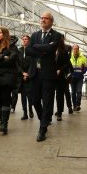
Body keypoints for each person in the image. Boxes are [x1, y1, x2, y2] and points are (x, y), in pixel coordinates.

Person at [26, 11, 62, 142]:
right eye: (41, 18)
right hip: (35, 73)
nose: (42, 20)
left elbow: (50, 49)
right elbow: (28, 50)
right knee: (34, 99)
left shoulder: (56, 35)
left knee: (47, 101)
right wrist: (42, 48)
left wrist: (36, 47)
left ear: (51, 21)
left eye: (46, 18)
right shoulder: (35, 35)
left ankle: (42, 129)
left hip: (48, 74)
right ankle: (44, 120)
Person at [54, 38, 73, 121]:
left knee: (60, 95)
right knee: (51, 95)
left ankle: (59, 112)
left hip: (61, 77)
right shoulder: (51, 51)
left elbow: (67, 64)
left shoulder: (64, 52)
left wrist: (60, 70)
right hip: (51, 76)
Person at [18, 34, 36, 120]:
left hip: (30, 76)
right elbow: (17, 64)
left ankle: (30, 109)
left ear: (29, 41)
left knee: (30, 95)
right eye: (23, 39)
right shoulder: (19, 51)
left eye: (26, 39)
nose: (24, 40)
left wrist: (28, 74)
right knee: (23, 96)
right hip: (22, 76)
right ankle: (25, 113)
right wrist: (22, 73)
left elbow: (33, 64)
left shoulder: (32, 51)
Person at [69, 44, 87, 112]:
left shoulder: (83, 57)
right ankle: (74, 106)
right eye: (74, 49)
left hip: (80, 77)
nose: (75, 50)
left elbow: (86, 67)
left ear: (78, 49)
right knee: (73, 92)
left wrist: (83, 71)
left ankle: (78, 105)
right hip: (72, 78)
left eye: (77, 48)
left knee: (79, 91)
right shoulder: (69, 57)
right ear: (72, 49)